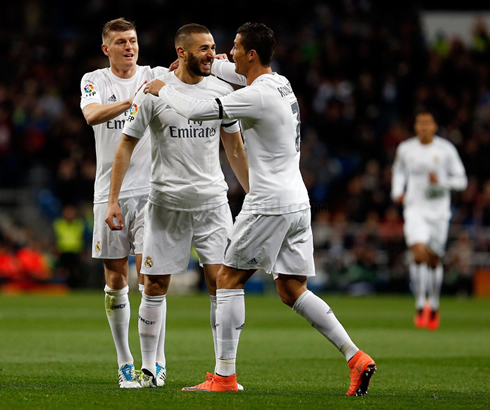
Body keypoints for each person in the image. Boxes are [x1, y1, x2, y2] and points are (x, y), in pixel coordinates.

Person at [144, 22, 376, 396]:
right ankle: (355, 356)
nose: (225, 53)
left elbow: (200, 110)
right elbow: (226, 68)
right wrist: (204, 62)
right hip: (298, 202)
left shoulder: (257, 96)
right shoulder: (280, 83)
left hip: (269, 202)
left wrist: (164, 89)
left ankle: (223, 377)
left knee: (226, 280)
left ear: (251, 54)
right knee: (290, 288)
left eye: (233, 47)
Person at [105, 23, 249, 388]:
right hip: (165, 204)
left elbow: (234, 146)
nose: (211, 55)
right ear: (181, 53)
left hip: (212, 204)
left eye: (213, 47)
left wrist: (252, 193)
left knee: (223, 284)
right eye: (202, 48)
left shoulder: (222, 91)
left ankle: (223, 371)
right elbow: (125, 144)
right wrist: (113, 200)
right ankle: (151, 370)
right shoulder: (153, 94)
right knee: (153, 285)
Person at [80, 17, 172, 388]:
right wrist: (132, 103)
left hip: (152, 192)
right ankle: (125, 363)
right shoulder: (94, 80)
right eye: (120, 42)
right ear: (106, 49)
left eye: (132, 40)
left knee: (152, 278)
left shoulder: (154, 72)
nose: (129, 47)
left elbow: (187, 76)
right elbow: (91, 115)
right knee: (116, 278)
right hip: (110, 194)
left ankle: (157, 361)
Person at [392, 110, 467, 330]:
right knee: (417, 252)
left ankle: (433, 303)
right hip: (414, 208)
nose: (424, 127)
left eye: (428, 123)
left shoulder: (446, 150)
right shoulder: (406, 149)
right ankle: (419, 303)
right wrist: (398, 191)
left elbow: (462, 181)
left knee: (434, 260)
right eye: (420, 123)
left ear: (434, 127)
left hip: (439, 213)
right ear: (416, 127)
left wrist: (441, 182)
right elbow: (398, 170)